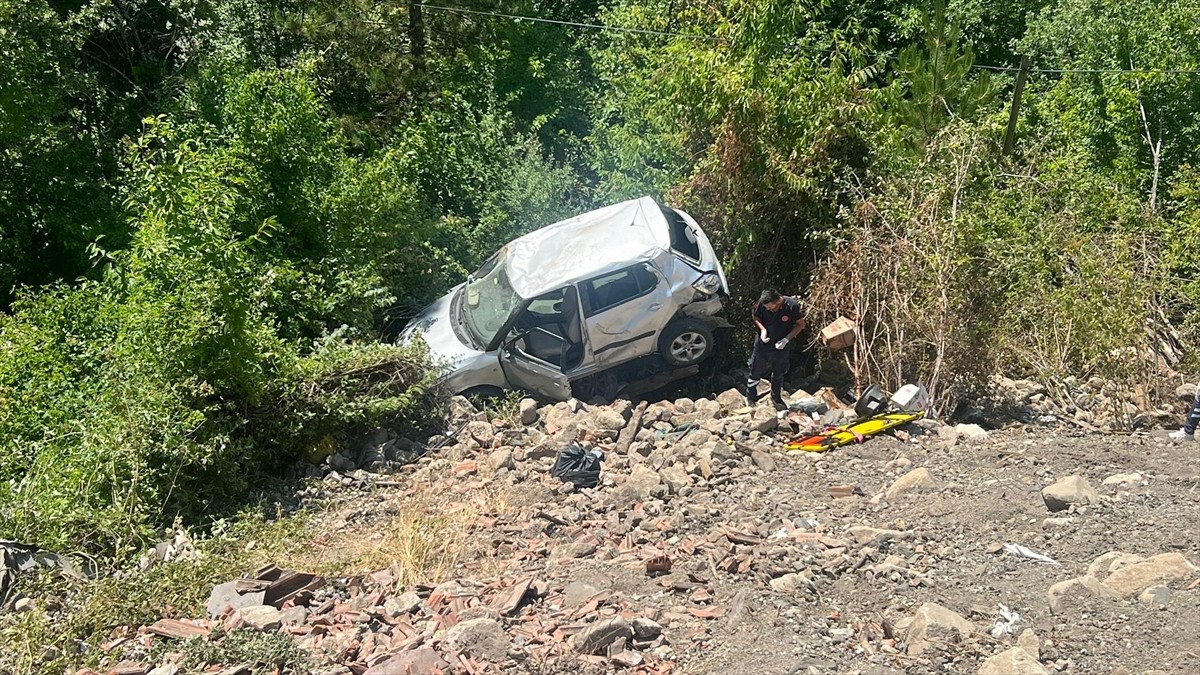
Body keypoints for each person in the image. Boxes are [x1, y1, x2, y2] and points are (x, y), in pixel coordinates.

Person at [746, 289, 806, 408]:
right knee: (755, 370)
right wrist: (763, 330)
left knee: (779, 372)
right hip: (763, 343)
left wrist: (786, 339)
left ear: (778, 301)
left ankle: (776, 397)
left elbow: (801, 325)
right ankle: (750, 396)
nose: (768, 309)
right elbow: (756, 317)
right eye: (766, 308)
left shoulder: (792, 306)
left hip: (782, 344)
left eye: (770, 307)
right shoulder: (762, 303)